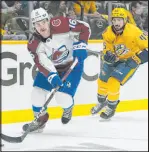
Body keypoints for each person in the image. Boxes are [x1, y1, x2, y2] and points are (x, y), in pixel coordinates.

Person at [22, 8, 91, 132]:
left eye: (43, 22)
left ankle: (68, 108)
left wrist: (81, 45)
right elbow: (42, 63)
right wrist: (52, 76)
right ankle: (40, 119)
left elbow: (84, 27)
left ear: (48, 20)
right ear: (33, 26)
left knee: (62, 98)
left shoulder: (61, 23)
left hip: (72, 65)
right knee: (36, 95)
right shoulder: (33, 44)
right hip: (52, 67)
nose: (41, 26)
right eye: (37, 24)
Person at [91, 8, 148, 119]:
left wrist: (137, 59)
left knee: (113, 82)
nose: (116, 23)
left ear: (125, 20)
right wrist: (108, 55)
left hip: (129, 61)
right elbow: (106, 49)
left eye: (119, 20)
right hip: (115, 60)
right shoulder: (108, 32)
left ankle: (111, 107)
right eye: (114, 20)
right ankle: (102, 102)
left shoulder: (134, 32)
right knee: (102, 82)